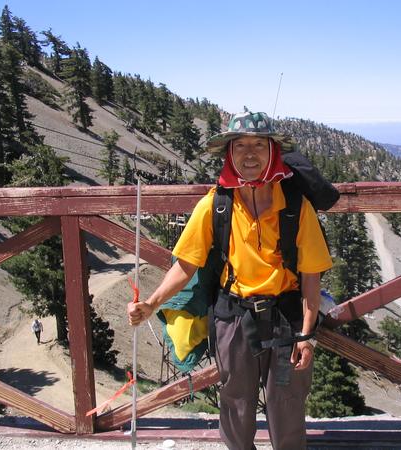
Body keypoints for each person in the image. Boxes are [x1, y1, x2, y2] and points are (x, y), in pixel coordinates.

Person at [127, 111, 332, 450]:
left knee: (288, 405)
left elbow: (312, 275)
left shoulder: (296, 206)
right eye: (239, 146)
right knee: (235, 401)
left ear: (273, 152)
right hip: (234, 317)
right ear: (229, 153)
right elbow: (185, 265)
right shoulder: (216, 203)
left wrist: (307, 334)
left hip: (287, 319)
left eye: (259, 145)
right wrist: (152, 303)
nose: (249, 154)